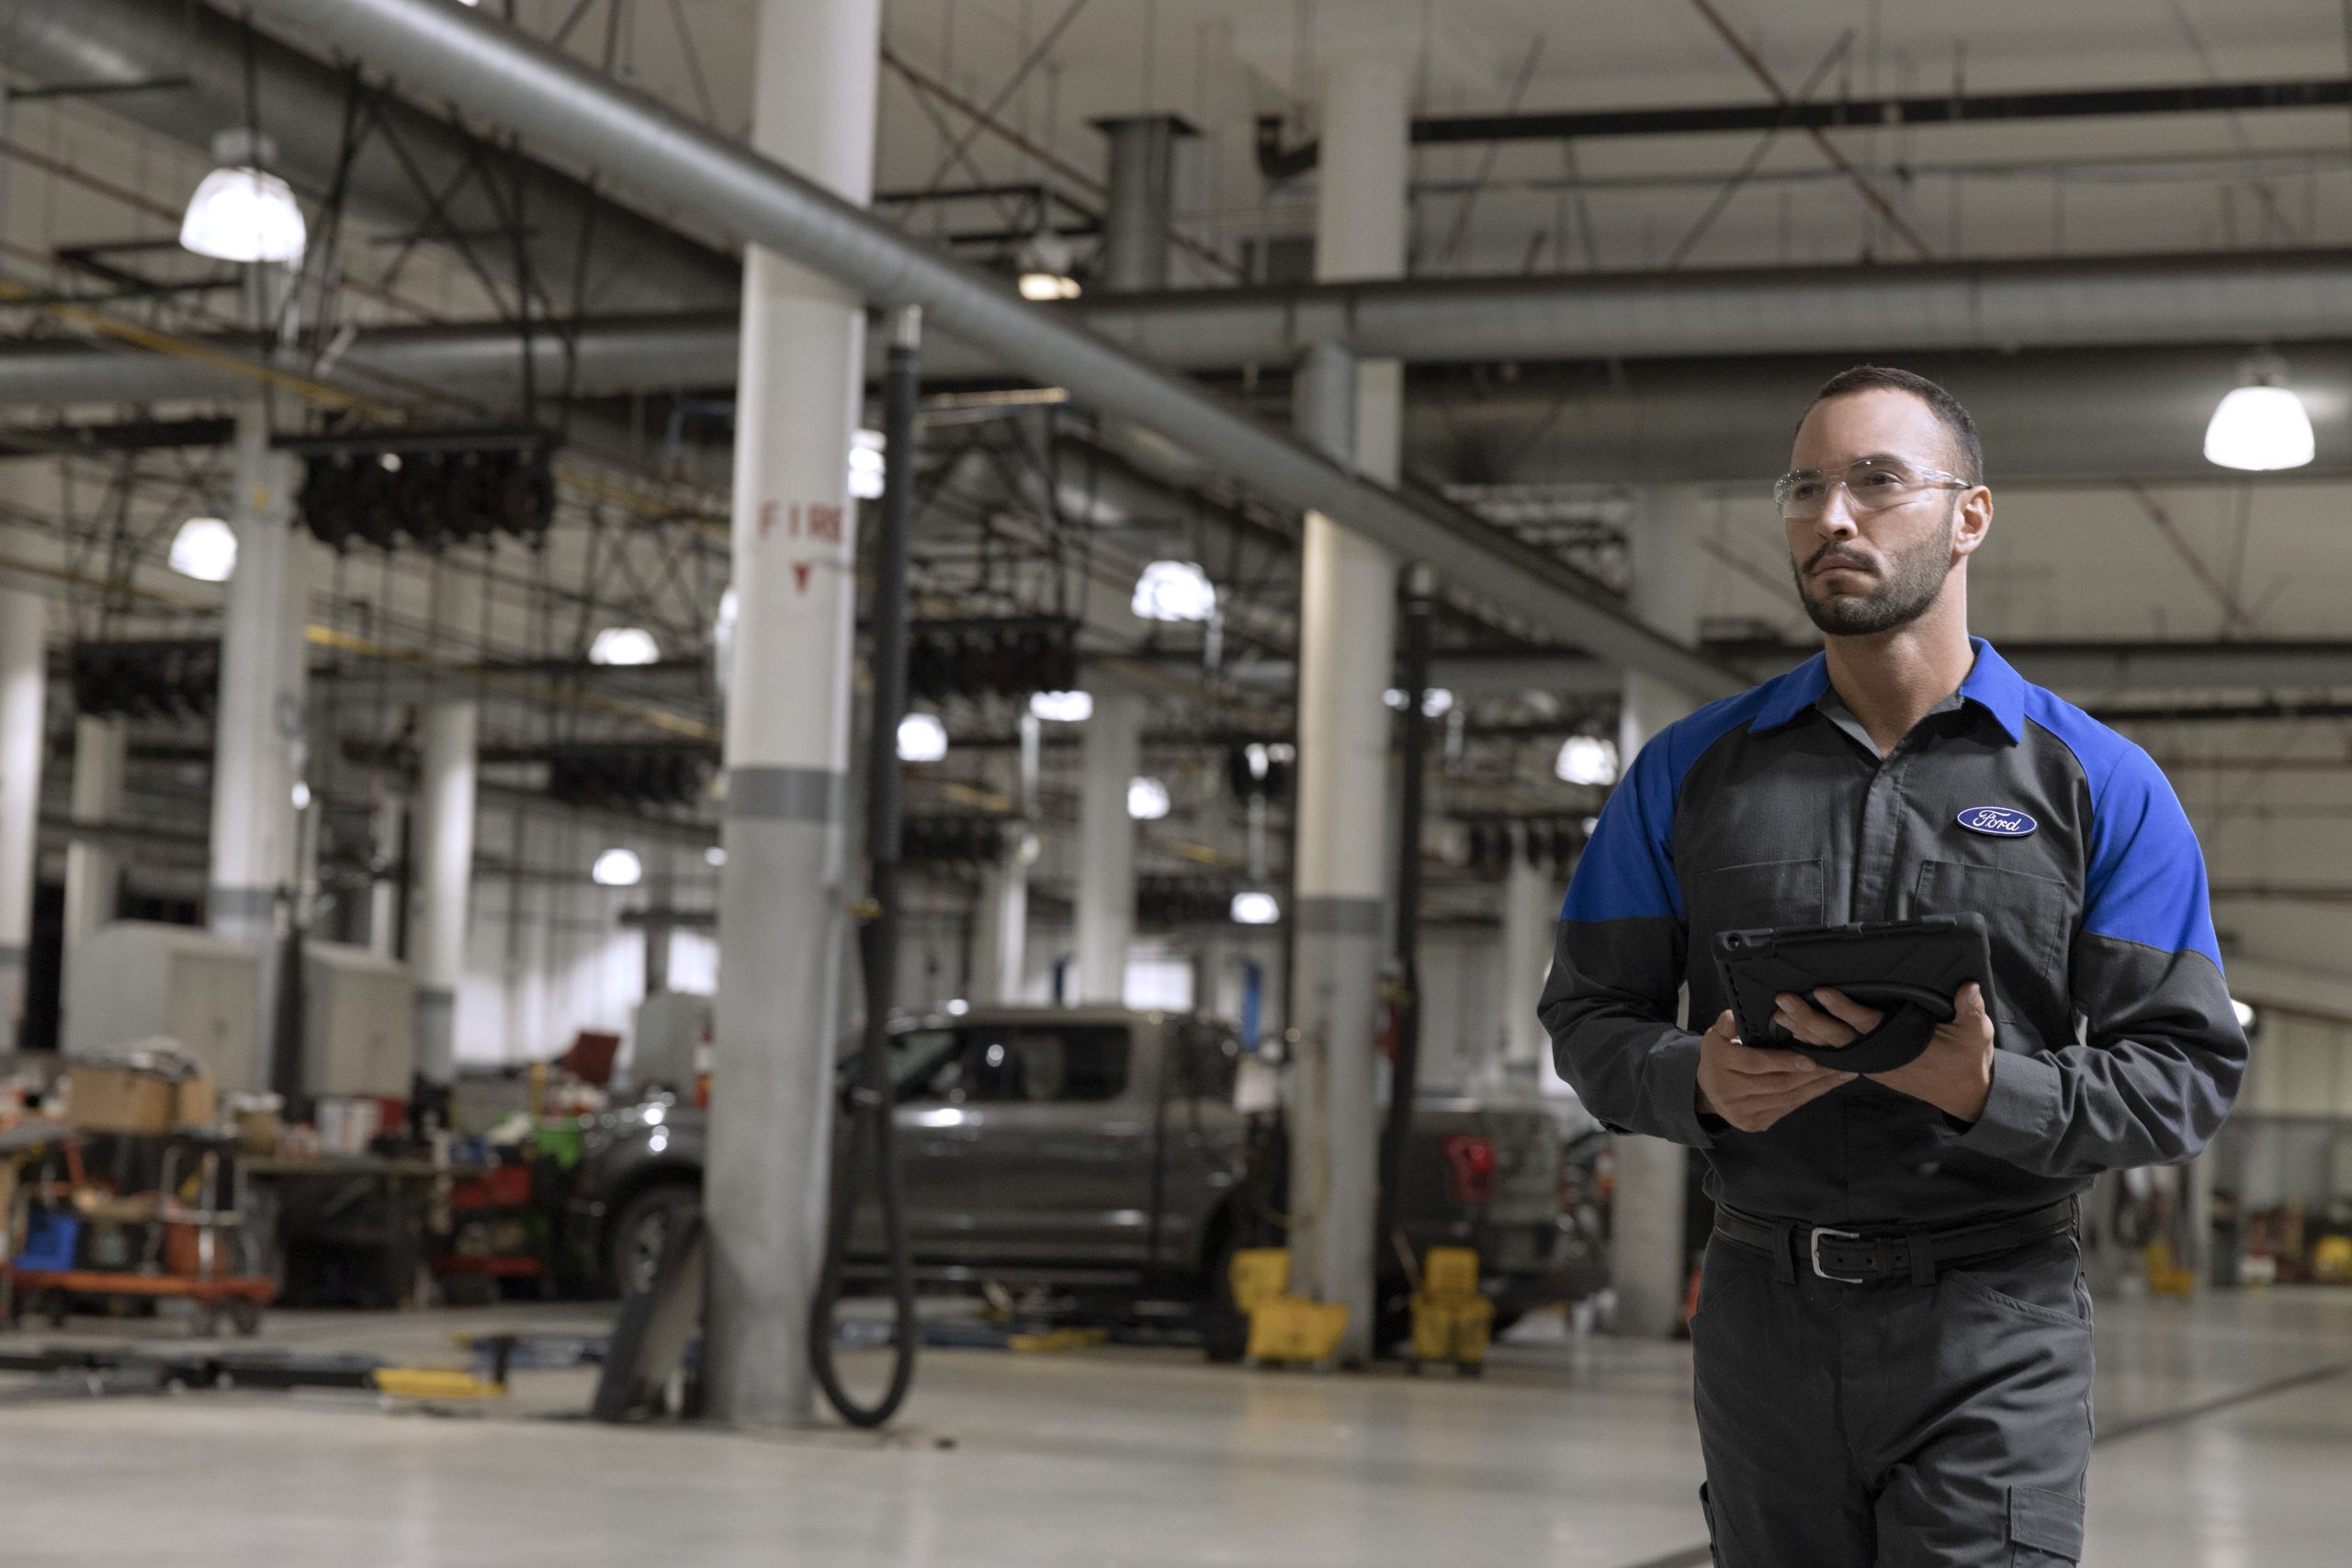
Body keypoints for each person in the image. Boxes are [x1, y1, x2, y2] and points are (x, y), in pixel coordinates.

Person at [1540, 366, 2245, 1567]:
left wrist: (1990, 1092)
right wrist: (1694, 1080)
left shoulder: (2098, 783)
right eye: (1805, 489)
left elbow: (2185, 1071)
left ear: (1969, 515)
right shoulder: (1689, 774)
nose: (1832, 518)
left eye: (1876, 482)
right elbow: (1589, 1016)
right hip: (1764, 1313)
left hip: (1993, 1316)